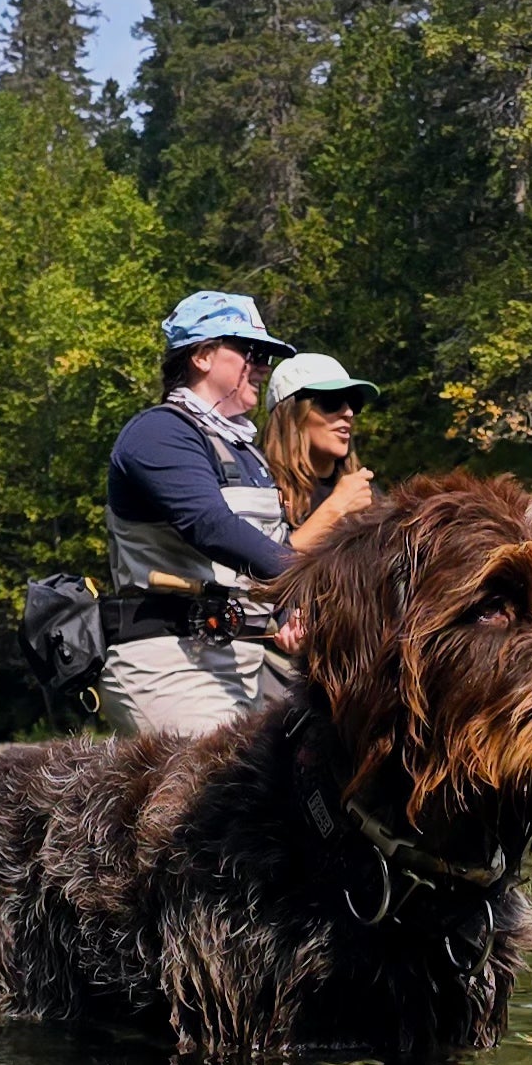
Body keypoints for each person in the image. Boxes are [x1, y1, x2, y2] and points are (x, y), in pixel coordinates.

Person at [98, 291, 371, 737]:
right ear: (202, 356)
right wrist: (307, 580)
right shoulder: (159, 433)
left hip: (239, 667)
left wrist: (289, 615)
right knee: (209, 796)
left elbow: (267, 552)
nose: (263, 366)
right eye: (251, 352)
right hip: (170, 666)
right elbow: (212, 527)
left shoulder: (248, 454)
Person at [263, 350, 380, 530]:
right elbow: (265, 557)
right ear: (291, 414)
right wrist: (336, 507)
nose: (348, 412)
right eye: (331, 401)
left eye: (354, 402)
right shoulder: (261, 490)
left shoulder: (366, 495)